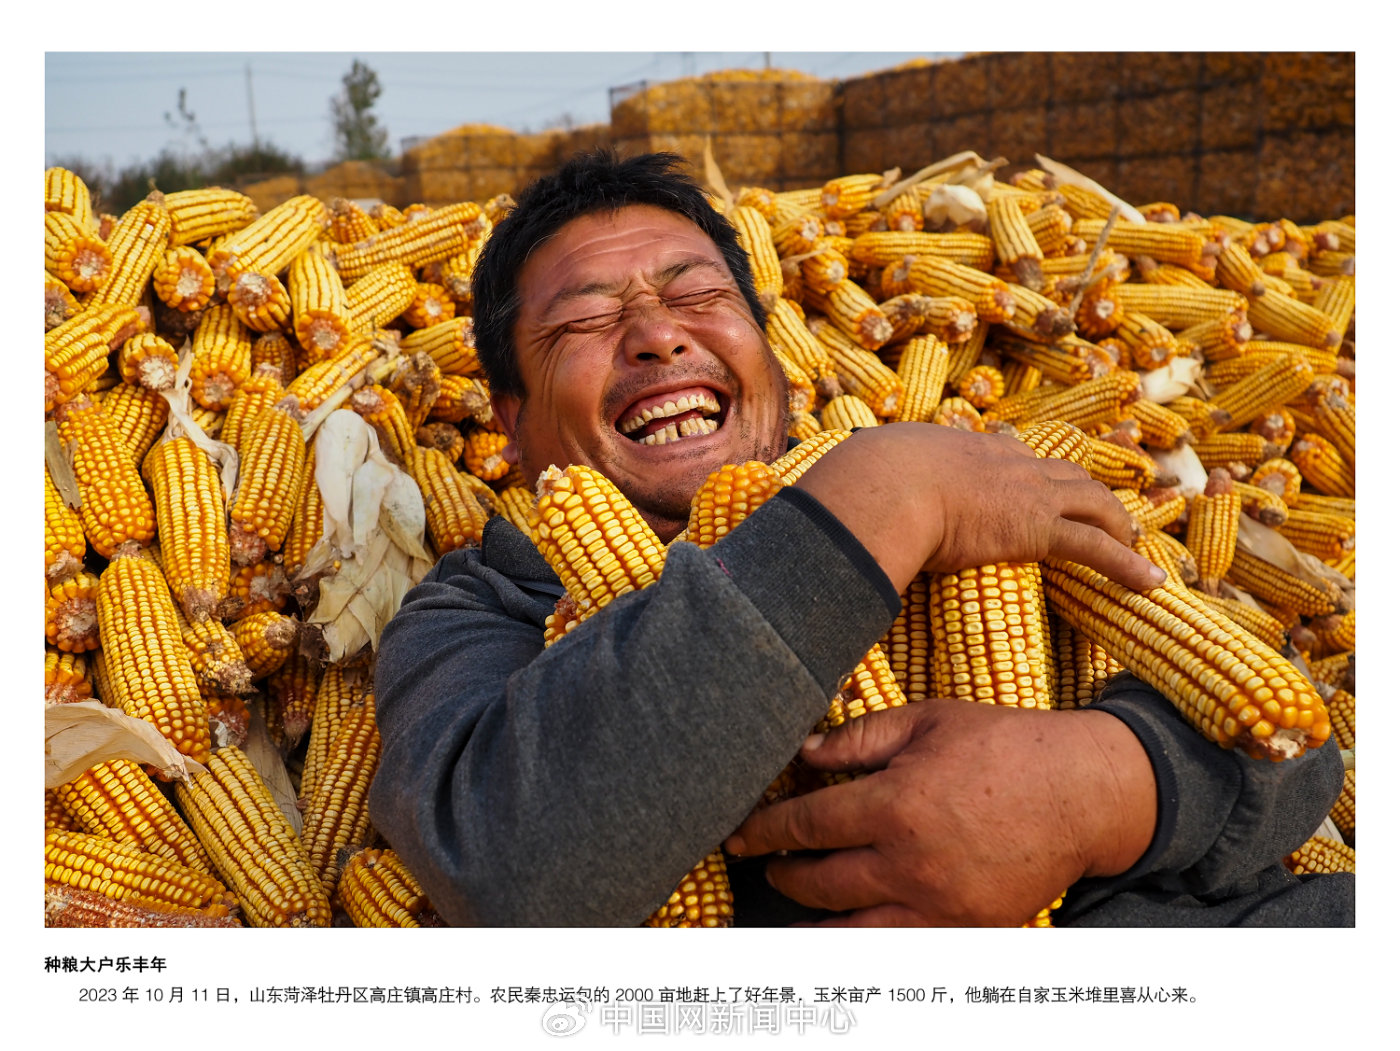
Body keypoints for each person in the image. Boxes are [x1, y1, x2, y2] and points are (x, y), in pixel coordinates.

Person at [367, 149, 1352, 927]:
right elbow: (511, 870)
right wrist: (882, 496)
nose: (657, 337)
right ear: (510, 422)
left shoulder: (975, 482)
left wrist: (1102, 789)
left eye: (699, 297)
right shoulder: (473, 615)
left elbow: (1288, 740)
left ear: (775, 357)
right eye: (588, 319)